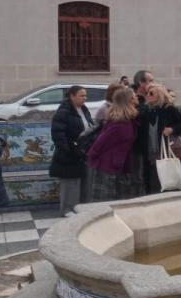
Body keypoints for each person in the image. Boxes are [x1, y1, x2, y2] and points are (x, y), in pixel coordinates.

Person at [86, 87, 138, 201]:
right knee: (105, 203)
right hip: (108, 168)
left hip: (117, 167)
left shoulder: (127, 121)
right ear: (128, 101)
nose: (136, 99)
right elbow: (99, 144)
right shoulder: (119, 124)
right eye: (134, 97)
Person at [137, 84, 181, 194]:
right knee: (153, 181)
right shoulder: (145, 110)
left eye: (151, 93)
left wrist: (172, 129)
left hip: (169, 149)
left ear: (160, 95)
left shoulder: (169, 109)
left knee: (171, 177)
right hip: (150, 151)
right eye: (146, 93)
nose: (148, 95)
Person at [49, 86, 93, 215]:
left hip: (83, 153)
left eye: (85, 96)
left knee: (83, 182)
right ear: (72, 96)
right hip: (69, 154)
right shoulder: (64, 112)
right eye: (81, 95)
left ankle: (81, 207)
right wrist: (68, 148)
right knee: (70, 183)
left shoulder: (84, 109)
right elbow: (58, 134)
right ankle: (67, 209)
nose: (84, 98)